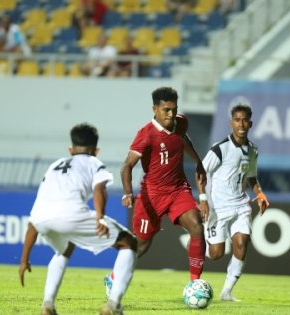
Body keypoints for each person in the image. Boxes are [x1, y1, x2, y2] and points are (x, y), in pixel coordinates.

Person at [19, 123, 137, 315]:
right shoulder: (94, 162)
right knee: (128, 243)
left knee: (65, 248)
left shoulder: (54, 166)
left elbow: (34, 219)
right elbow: (100, 189)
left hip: (41, 220)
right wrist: (100, 218)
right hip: (70, 215)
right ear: (95, 150)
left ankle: (47, 305)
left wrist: (24, 260)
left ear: (70, 149)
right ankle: (113, 305)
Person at [106, 87, 208, 293]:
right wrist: (127, 193)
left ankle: (194, 284)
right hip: (152, 196)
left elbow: (184, 139)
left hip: (178, 190)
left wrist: (197, 160)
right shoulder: (146, 135)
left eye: (174, 109)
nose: (171, 115)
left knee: (197, 227)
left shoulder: (181, 123)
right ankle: (113, 277)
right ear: (155, 108)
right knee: (140, 246)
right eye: (166, 110)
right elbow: (126, 166)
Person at [202, 104, 270, 301]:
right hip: (218, 208)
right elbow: (202, 172)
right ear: (232, 123)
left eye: (245, 120)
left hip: (241, 205)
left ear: (250, 123)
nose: (241, 124)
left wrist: (260, 194)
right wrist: (204, 200)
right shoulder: (220, 149)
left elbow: (251, 177)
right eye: (237, 120)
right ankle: (199, 239)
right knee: (215, 254)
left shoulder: (253, 151)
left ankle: (226, 291)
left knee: (242, 242)